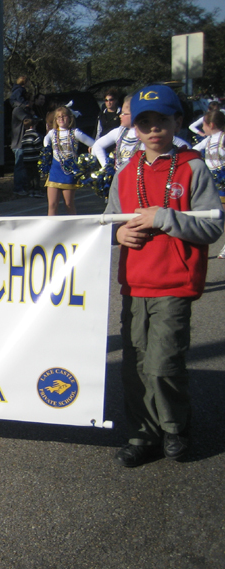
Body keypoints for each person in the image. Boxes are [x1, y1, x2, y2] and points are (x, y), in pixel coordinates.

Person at [103, 84, 224, 468]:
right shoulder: (125, 173)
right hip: (134, 283)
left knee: (163, 364)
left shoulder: (192, 167)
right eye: (145, 122)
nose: (154, 129)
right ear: (135, 128)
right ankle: (143, 433)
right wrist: (117, 233)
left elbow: (212, 227)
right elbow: (106, 223)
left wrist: (165, 218)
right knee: (134, 366)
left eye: (162, 120)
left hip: (174, 283)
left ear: (176, 121)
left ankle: (175, 427)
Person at [42, 106, 95, 215]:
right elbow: (46, 140)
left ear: (70, 118)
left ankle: (73, 228)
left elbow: (94, 143)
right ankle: (50, 228)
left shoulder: (75, 133)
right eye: (58, 117)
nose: (61, 119)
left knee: (69, 204)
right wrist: (47, 148)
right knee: (52, 205)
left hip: (69, 172)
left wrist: (92, 151)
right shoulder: (53, 133)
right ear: (55, 120)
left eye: (64, 116)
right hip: (55, 171)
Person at [193, 109, 225, 258]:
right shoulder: (208, 140)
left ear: (211, 124)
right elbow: (193, 150)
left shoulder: (222, 138)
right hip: (214, 182)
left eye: (204, 125)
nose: (202, 129)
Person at [11, 97, 34, 196]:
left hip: (24, 143)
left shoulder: (25, 110)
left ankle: (25, 187)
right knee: (19, 167)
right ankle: (18, 188)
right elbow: (28, 120)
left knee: (25, 167)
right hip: (19, 143)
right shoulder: (18, 110)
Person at [20, 118, 43, 197]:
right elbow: (38, 147)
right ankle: (37, 190)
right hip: (34, 158)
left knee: (29, 175)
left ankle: (30, 190)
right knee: (36, 175)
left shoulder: (24, 136)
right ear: (32, 126)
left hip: (26, 159)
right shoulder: (35, 135)